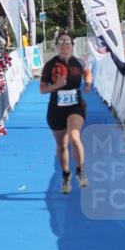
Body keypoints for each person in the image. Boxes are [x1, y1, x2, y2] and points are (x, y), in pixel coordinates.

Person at [39, 32, 92, 194]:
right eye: (61, 42)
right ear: (56, 46)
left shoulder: (80, 62)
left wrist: (88, 83)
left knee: (75, 137)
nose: (64, 45)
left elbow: (87, 72)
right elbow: (42, 89)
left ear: (72, 46)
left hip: (76, 105)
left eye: (67, 42)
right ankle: (66, 174)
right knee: (61, 145)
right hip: (56, 107)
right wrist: (57, 85)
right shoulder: (50, 65)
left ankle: (80, 171)